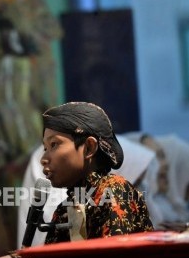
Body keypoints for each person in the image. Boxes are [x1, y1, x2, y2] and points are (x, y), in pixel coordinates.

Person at [39, 102, 153, 244]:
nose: (43, 159)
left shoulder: (114, 190)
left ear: (88, 147)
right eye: (45, 149)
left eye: (54, 145)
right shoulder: (65, 208)